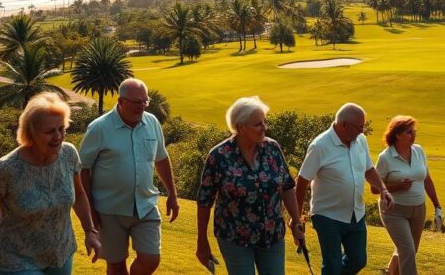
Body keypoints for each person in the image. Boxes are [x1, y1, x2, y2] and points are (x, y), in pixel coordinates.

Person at [0, 92, 101, 275]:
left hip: (60, 254)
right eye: (49, 131)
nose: (57, 137)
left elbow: (78, 195)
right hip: (18, 259)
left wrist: (90, 231)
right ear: (30, 133)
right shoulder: (8, 169)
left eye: (61, 129)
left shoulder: (69, 155)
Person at [79, 78, 179, 275]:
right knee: (116, 265)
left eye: (145, 101)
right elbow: (83, 169)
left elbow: (161, 158)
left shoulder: (152, 123)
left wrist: (172, 194)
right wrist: (90, 208)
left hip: (145, 205)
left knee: (151, 260)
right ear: (120, 101)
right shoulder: (99, 128)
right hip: (109, 209)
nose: (141, 106)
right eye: (136, 102)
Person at [196, 96, 305, 274]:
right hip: (235, 239)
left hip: (272, 237)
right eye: (258, 124)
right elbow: (204, 201)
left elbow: (286, 186)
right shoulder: (219, 156)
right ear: (240, 127)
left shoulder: (272, 148)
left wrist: (296, 222)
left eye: (264, 122)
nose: (264, 127)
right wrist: (202, 242)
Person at [295, 103, 395, 275]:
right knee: (332, 265)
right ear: (343, 125)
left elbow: (369, 169)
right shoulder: (320, 146)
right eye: (359, 127)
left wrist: (383, 189)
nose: (362, 131)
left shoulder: (359, 141)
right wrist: (296, 218)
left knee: (358, 260)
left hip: (356, 214)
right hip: (327, 216)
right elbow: (302, 181)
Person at [374, 116, 443, 275]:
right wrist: (397, 186)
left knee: (410, 250)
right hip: (394, 210)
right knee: (408, 250)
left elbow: (427, 179)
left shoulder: (418, 151)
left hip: (418, 209)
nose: (414, 135)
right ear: (398, 135)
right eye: (409, 132)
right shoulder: (385, 157)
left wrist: (437, 205)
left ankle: (390, 273)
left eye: (414, 132)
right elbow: (374, 189)